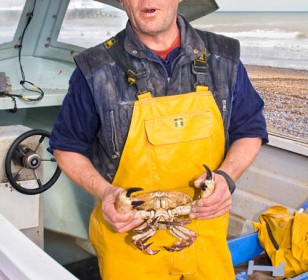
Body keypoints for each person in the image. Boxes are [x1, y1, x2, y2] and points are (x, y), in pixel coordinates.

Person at [49, 0, 268, 279]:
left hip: (205, 236)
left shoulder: (223, 57)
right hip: (128, 240)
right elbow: (67, 147)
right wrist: (105, 193)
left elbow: (250, 129)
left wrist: (226, 177)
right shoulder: (95, 69)